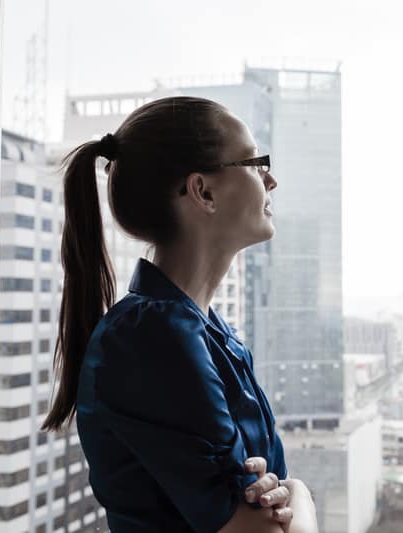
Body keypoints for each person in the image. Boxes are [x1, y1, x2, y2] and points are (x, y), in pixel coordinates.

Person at [39, 96, 318, 533]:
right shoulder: (154, 337)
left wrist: (287, 496)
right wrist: (300, 491)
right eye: (254, 163)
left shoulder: (209, 333)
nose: (272, 180)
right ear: (203, 191)